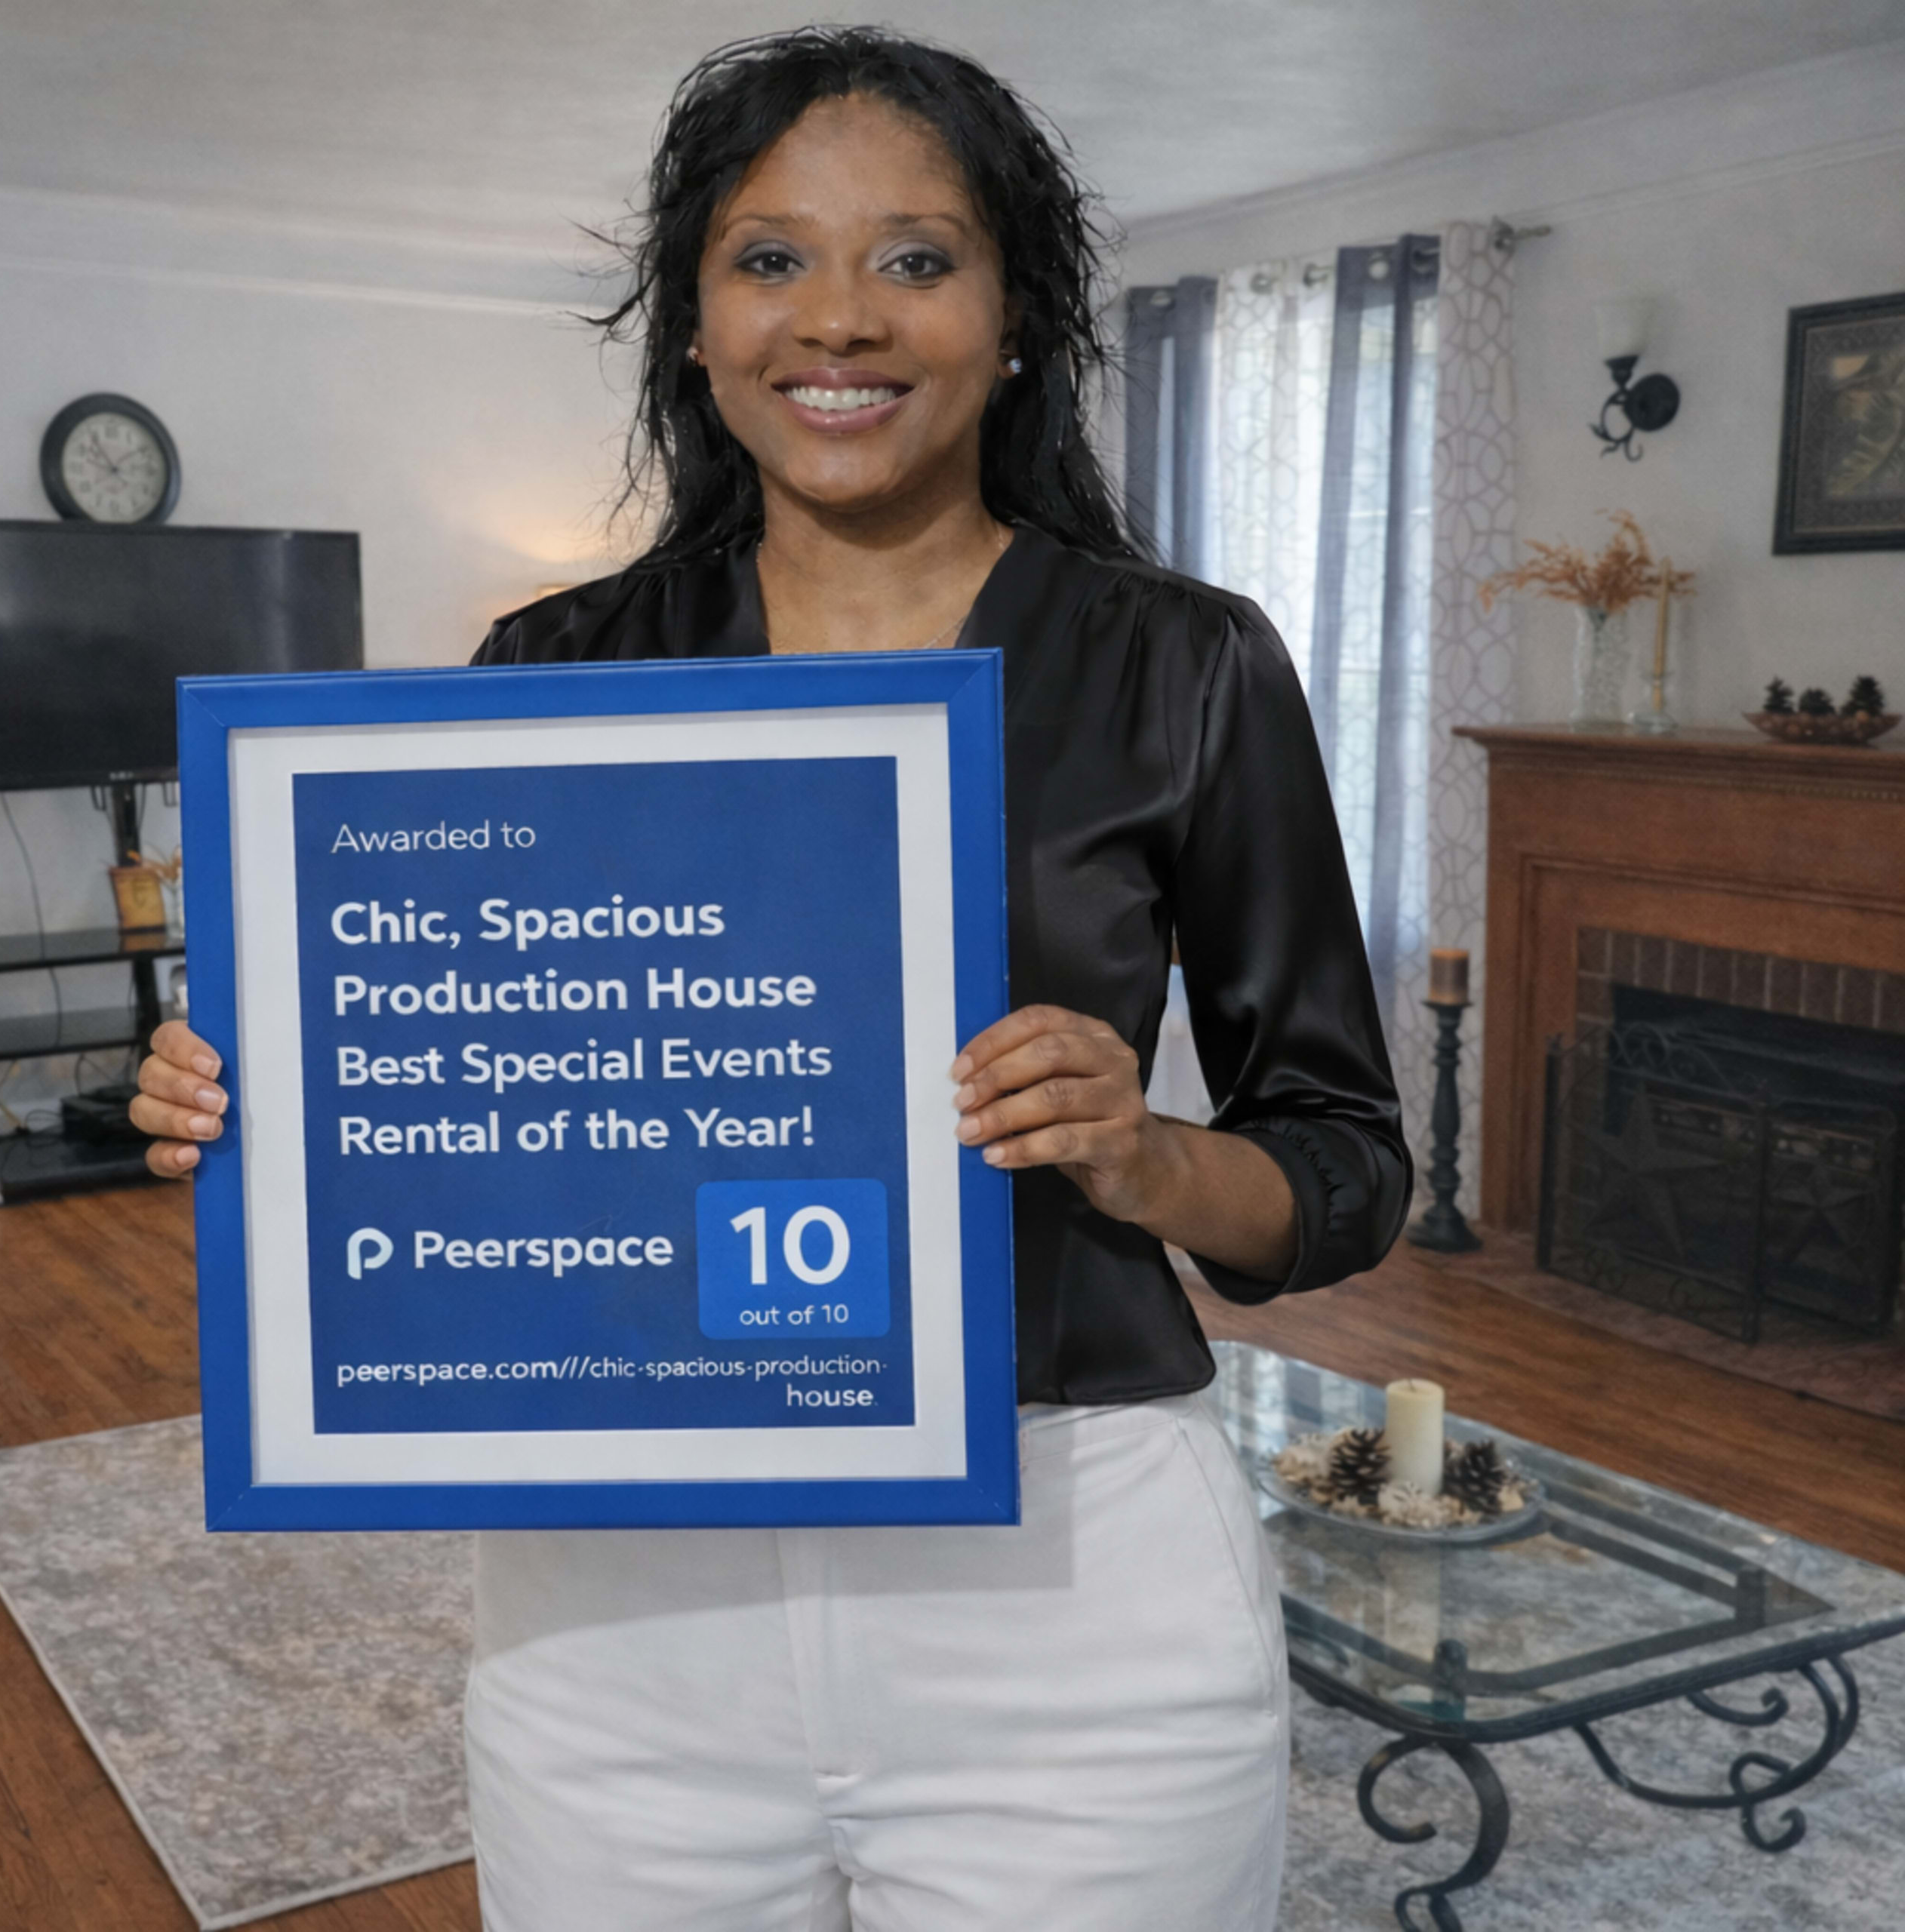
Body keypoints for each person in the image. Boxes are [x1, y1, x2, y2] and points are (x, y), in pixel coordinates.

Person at [129, 27, 1408, 1929]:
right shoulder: (550, 670)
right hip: (622, 1614)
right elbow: (490, 1120)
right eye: (769, 258)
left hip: (1072, 1592)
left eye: (916, 256)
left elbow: (1346, 1163)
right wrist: (273, 1108)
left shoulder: (1185, 664)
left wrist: (1141, 1155)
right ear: (695, 325)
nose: (843, 318)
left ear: (1017, 314)